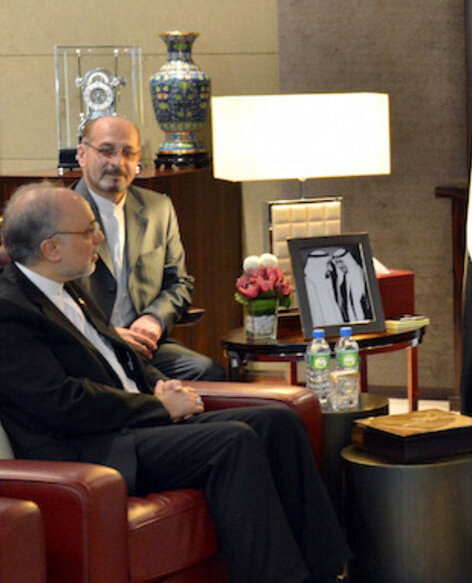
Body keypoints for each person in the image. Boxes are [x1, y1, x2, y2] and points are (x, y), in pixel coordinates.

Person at [0, 182, 349, 583]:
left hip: (134, 423)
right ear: (51, 248)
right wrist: (158, 407)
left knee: (278, 422)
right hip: (94, 446)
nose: (98, 237)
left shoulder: (69, 287)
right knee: (232, 442)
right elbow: (62, 403)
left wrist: (162, 386)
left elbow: (117, 357)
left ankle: (328, 569)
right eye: (88, 230)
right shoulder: (10, 310)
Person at [73, 115, 222, 380]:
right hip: (85, 347)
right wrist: (106, 335)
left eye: (128, 153)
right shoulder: (61, 213)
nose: (117, 163)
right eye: (106, 151)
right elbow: (47, 299)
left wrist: (154, 319)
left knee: (207, 372)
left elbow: (179, 283)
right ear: (82, 155)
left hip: (144, 346)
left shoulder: (158, 208)